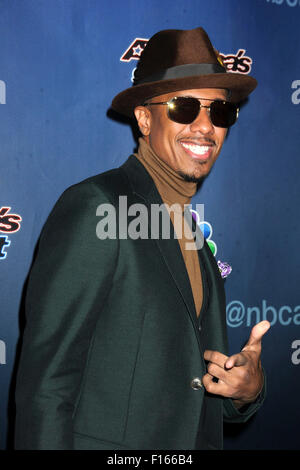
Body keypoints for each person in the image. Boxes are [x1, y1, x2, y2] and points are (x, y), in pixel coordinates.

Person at [14, 27, 270, 450]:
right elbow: (47, 387)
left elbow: (198, 388)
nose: (206, 127)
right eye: (184, 107)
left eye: (220, 112)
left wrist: (246, 389)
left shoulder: (189, 230)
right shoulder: (98, 207)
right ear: (145, 118)